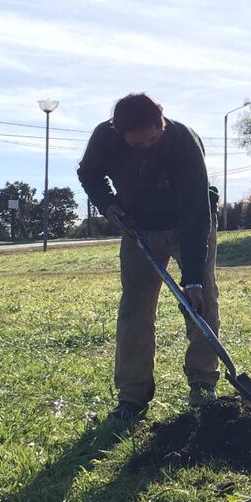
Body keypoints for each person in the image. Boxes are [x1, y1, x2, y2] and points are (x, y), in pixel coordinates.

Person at [78, 93, 220, 420]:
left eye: (153, 140)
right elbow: (89, 174)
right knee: (135, 307)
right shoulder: (104, 137)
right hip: (139, 228)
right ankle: (133, 394)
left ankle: (202, 380)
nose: (147, 148)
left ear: (162, 120)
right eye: (137, 145)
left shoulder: (184, 142)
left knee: (201, 300)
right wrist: (110, 205)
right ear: (118, 132)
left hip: (189, 223)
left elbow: (196, 213)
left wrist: (194, 280)